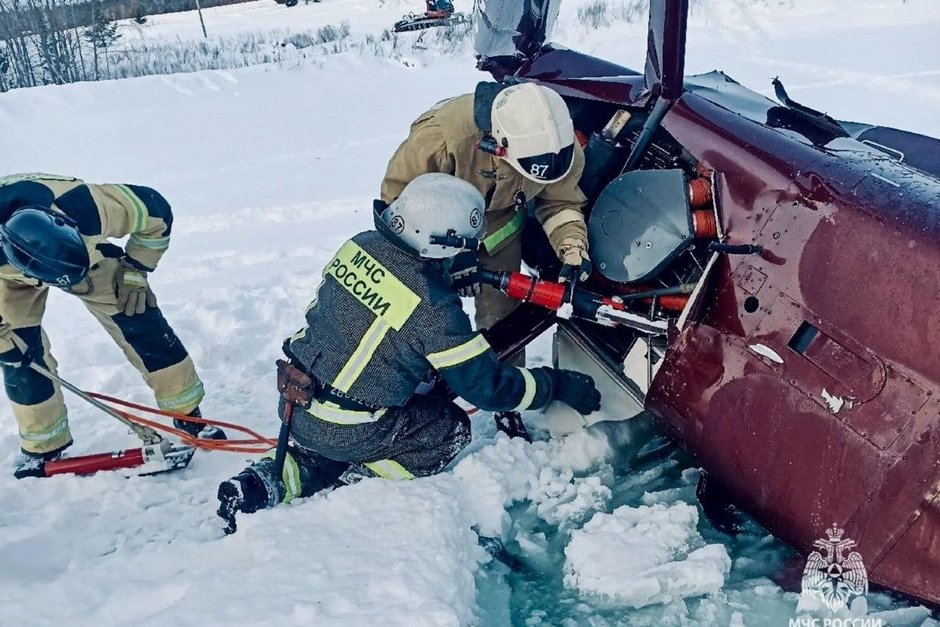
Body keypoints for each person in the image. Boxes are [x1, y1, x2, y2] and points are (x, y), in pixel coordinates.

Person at [216, 173, 601, 534]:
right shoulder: (433, 309)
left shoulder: (360, 245)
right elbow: (488, 388)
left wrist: (441, 275)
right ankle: (359, 483)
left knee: (326, 445)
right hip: (349, 425)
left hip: (297, 402)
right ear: (442, 245)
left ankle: (261, 483)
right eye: (463, 247)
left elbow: (386, 301)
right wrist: (556, 385)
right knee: (447, 428)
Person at [380, 81, 592, 440]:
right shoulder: (443, 136)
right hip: (430, 231)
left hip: (498, 227)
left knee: (504, 318)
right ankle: (406, 390)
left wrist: (572, 249)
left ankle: (507, 403)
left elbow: (560, 202)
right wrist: (454, 254)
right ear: (498, 145)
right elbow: (397, 202)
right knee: (422, 315)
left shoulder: (558, 147)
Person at [0, 173, 224, 479]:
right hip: (7, 278)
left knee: (138, 316)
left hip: (85, 258)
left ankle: (188, 414)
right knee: (18, 356)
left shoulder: (88, 206)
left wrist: (135, 270)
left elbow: (157, 211)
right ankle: (44, 445)